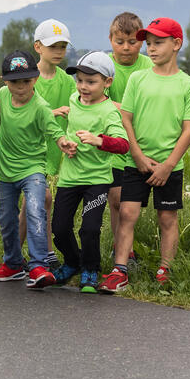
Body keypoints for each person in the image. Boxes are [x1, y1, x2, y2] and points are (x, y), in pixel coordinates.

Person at [101, 18, 190, 293]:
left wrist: (168, 165)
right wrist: (138, 155)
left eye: (158, 43)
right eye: (150, 44)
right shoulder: (137, 78)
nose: (151, 49)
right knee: (128, 212)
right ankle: (119, 270)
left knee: (167, 217)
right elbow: (126, 118)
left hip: (169, 166)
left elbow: (189, 130)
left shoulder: (188, 84)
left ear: (176, 44)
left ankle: (166, 269)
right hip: (137, 161)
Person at [0, 51, 74, 290]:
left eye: (26, 81)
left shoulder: (41, 107)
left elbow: (54, 131)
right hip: (4, 170)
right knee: (7, 220)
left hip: (32, 169)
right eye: (14, 82)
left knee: (35, 211)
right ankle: (12, 265)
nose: (20, 87)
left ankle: (38, 266)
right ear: (4, 80)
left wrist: (63, 142)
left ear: (35, 80)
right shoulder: (2, 94)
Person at [50, 52, 129, 293]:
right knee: (60, 228)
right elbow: (64, 132)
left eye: (90, 81)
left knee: (90, 229)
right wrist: (65, 143)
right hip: (70, 177)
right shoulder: (73, 100)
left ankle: (90, 269)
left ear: (107, 83)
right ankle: (73, 262)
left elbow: (123, 144)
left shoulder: (109, 111)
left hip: (97, 180)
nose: (83, 87)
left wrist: (98, 140)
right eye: (80, 80)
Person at [27, 18, 75, 262]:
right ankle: (45, 252)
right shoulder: (29, 79)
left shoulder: (67, 80)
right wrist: (54, 112)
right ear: (38, 47)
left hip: (57, 149)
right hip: (31, 150)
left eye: (62, 47)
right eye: (53, 46)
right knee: (42, 199)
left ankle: (15, 251)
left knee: (35, 204)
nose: (58, 52)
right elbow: (24, 112)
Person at [106, 12, 151, 262]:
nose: (126, 47)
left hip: (141, 143)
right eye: (119, 41)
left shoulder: (148, 66)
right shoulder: (105, 66)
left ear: (141, 42)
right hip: (113, 144)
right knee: (116, 199)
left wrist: (118, 106)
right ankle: (122, 251)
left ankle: (125, 249)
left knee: (128, 204)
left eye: (132, 42)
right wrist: (126, 108)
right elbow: (96, 99)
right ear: (110, 39)